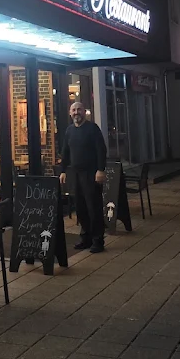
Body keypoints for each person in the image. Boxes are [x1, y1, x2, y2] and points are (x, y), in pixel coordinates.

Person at [59, 101, 107, 253]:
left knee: (94, 207)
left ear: (84, 111)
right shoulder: (69, 131)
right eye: (73, 110)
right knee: (80, 208)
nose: (76, 112)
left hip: (91, 173)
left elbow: (101, 150)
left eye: (79, 109)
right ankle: (85, 237)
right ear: (70, 112)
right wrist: (63, 170)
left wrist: (100, 170)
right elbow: (65, 152)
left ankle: (98, 240)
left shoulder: (92, 129)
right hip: (75, 173)